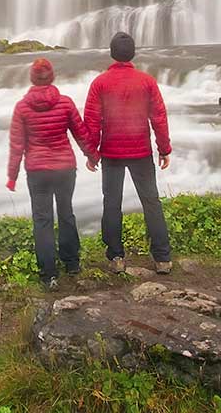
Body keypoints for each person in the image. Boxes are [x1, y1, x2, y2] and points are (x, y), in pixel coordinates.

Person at [84, 31, 173, 274]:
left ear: (112, 54)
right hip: (141, 151)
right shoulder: (146, 82)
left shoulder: (100, 83)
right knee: (151, 202)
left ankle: (116, 258)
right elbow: (159, 118)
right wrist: (164, 149)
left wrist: (92, 153)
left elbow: (91, 121)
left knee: (112, 204)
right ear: (133, 53)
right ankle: (162, 258)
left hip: (111, 153)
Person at [6, 57, 98, 288]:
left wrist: (12, 175)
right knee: (66, 213)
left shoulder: (22, 108)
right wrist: (92, 156)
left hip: (37, 171)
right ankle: (72, 263)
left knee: (42, 220)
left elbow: (17, 145)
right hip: (64, 168)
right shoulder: (65, 103)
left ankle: (49, 274)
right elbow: (81, 133)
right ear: (52, 77)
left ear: (32, 78)